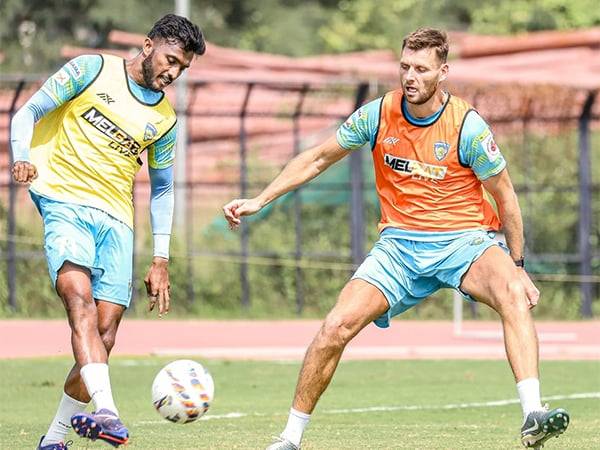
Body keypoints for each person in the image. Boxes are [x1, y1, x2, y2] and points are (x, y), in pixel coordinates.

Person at [223, 28, 569, 450]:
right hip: (399, 248)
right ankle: (289, 439)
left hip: (464, 242)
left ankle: (533, 414)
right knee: (335, 326)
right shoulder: (378, 114)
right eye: (405, 66)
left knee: (513, 294)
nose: (410, 76)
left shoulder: (468, 126)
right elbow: (317, 158)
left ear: (443, 72)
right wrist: (261, 199)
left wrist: (518, 266)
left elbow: (506, 197)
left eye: (421, 69)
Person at [10, 14, 205, 450]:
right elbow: (29, 112)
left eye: (183, 68)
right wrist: (21, 155)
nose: (173, 72)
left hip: (117, 220)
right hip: (63, 201)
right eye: (171, 59)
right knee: (77, 299)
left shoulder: (166, 120)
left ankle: (54, 440)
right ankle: (109, 413)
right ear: (148, 45)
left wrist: (161, 258)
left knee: (106, 334)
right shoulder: (90, 70)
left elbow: (163, 188)